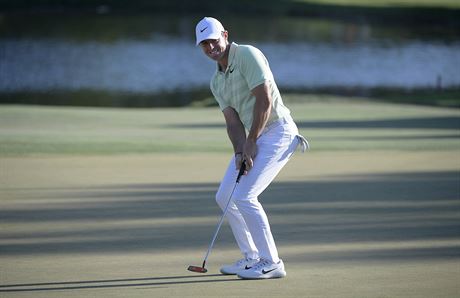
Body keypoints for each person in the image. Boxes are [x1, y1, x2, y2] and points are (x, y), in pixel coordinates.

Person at [195, 17, 309, 280]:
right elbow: (233, 122)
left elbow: (265, 100)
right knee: (225, 196)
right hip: (255, 137)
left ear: (225, 34)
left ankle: (272, 262)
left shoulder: (247, 54)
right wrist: (239, 151)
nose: (210, 47)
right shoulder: (217, 81)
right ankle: (252, 257)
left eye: (213, 40)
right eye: (204, 44)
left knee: (245, 196)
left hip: (279, 131)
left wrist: (251, 142)